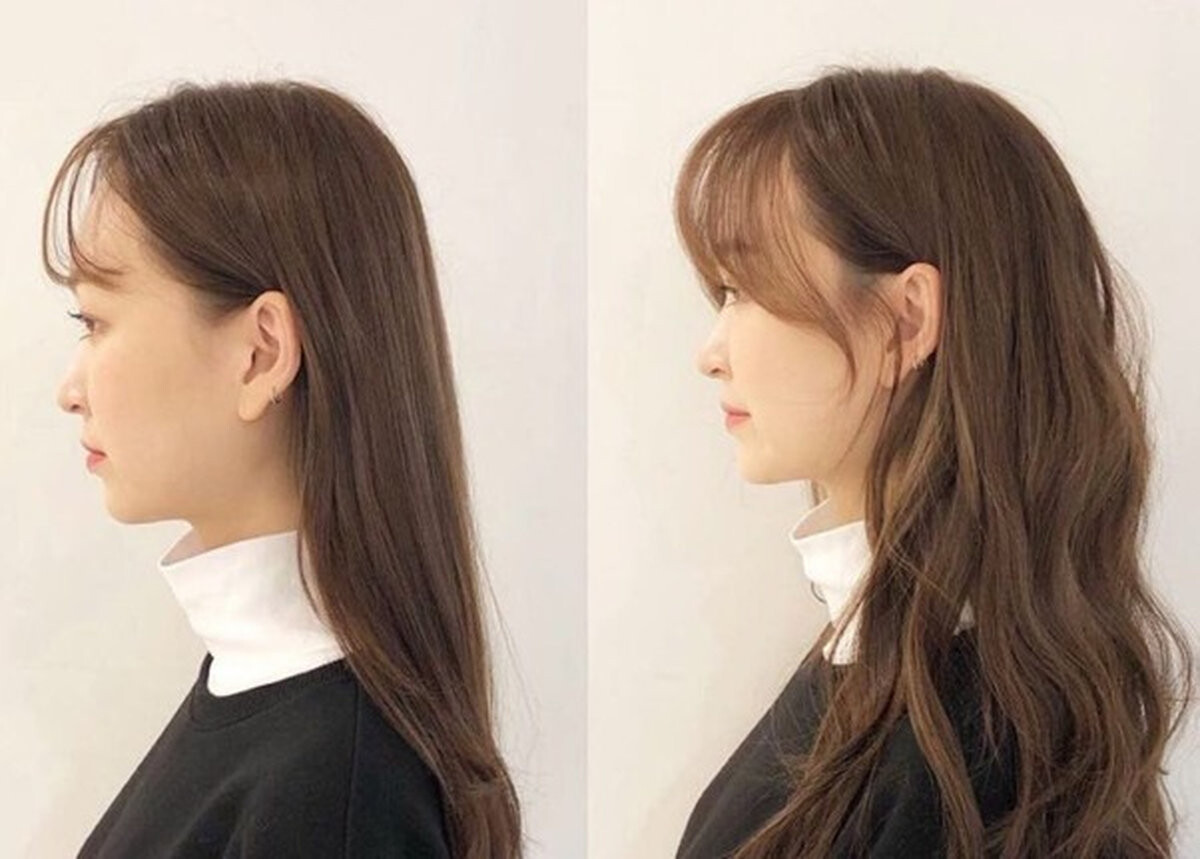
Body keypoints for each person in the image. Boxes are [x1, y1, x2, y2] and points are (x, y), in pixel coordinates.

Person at [672, 65, 1193, 858]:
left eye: (745, 287)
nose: (711, 353)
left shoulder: (974, 761)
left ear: (907, 318)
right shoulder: (884, 670)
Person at [47, 80, 521, 858]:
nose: (70, 390)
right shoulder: (258, 692)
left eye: (94, 321)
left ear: (262, 352)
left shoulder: (334, 794)